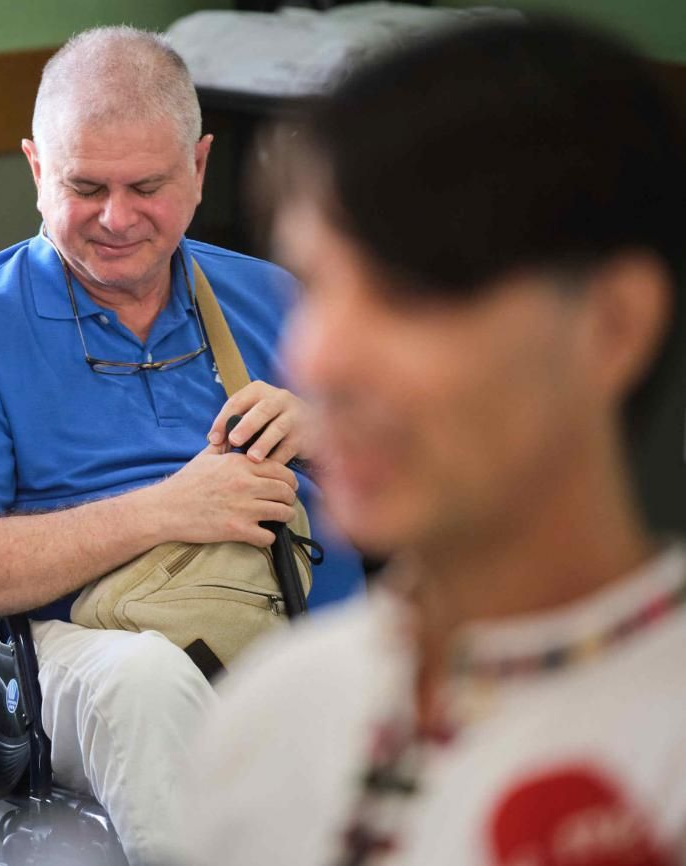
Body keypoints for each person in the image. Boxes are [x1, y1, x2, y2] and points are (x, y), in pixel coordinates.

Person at [175, 17, 686, 866]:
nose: (319, 357)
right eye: (320, 284)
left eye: (407, 295)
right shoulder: (270, 716)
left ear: (613, 326)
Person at [0, 25, 366, 864]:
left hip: (308, 639)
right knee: (146, 686)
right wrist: (166, 510)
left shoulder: (277, 298)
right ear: (37, 170)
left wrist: (333, 435)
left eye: (146, 185)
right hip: (81, 656)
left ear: (199, 168)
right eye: (84, 186)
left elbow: (442, 478)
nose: (116, 219)